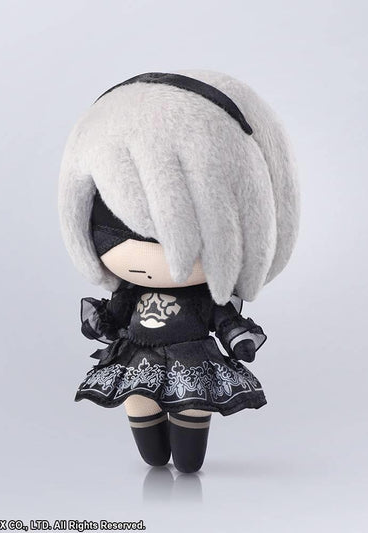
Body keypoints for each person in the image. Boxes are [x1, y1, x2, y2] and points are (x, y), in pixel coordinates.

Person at [58, 71, 299, 473]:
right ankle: (153, 443)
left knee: (191, 414)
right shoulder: (128, 292)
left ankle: (186, 455)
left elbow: (225, 319)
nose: (147, 257)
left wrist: (238, 337)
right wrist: (103, 322)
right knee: (140, 406)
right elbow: (115, 316)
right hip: (139, 359)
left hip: (192, 363)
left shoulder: (204, 296)